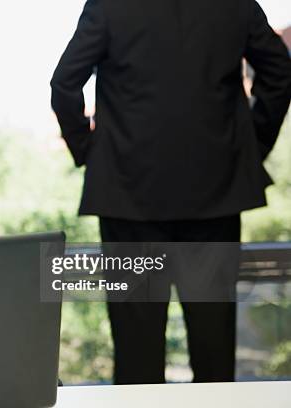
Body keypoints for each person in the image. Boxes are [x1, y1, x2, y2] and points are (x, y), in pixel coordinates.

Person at [51, 0, 291, 384]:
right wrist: (248, 148)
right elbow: (280, 73)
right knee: (214, 353)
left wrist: (89, 152)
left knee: (136, 354)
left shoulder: (110, 5)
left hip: (128, 198)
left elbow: (64, 83)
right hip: (216, 196)